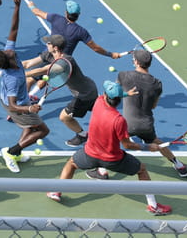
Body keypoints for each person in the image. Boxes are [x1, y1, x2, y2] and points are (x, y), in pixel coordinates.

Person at [45, 81, 172, 216]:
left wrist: (124, 94)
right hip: (113, 160)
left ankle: (56, 191)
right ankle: (153, 206)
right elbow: (127, 145)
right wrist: (148, 147)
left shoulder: (98, 103)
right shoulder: (119, 120)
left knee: (71, 164)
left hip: (89, 155)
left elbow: (108, 96)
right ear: (118, 100)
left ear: (105, 96)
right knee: (141, 170)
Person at [0, 0, 49, 173]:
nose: (10, 51)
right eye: (9, 54)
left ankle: (16, 152)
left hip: (20, 101)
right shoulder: (13, 78)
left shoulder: (10, 54)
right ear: (8, 62)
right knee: (42, 130)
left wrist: (17, 7)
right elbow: (12, 105)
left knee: (28, 125)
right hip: (14, 105)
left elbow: (13, 29)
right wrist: (29, 109)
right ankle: (11, 152)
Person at [117, 50, 187, 179]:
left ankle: (101, 170)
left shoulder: (124, 76)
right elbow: (154, 106)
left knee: (110, 140)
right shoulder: (157, 84)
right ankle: (178, 164)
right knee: (156, 141)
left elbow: (114, 94)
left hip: (127, 124)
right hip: (146, 124)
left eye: (134, 59)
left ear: (137, 62)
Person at [25, 34, 98, 148]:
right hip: (88, 88)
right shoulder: (48, 55)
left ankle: (82, 135)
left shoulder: (66, 62)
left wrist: (18, 75)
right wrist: (10, 68)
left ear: (55, 48)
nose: (46, 44)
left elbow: (42, 70)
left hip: (84, 95)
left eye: (49, 43)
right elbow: (28, 63)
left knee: (64, 117)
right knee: (100, 112)